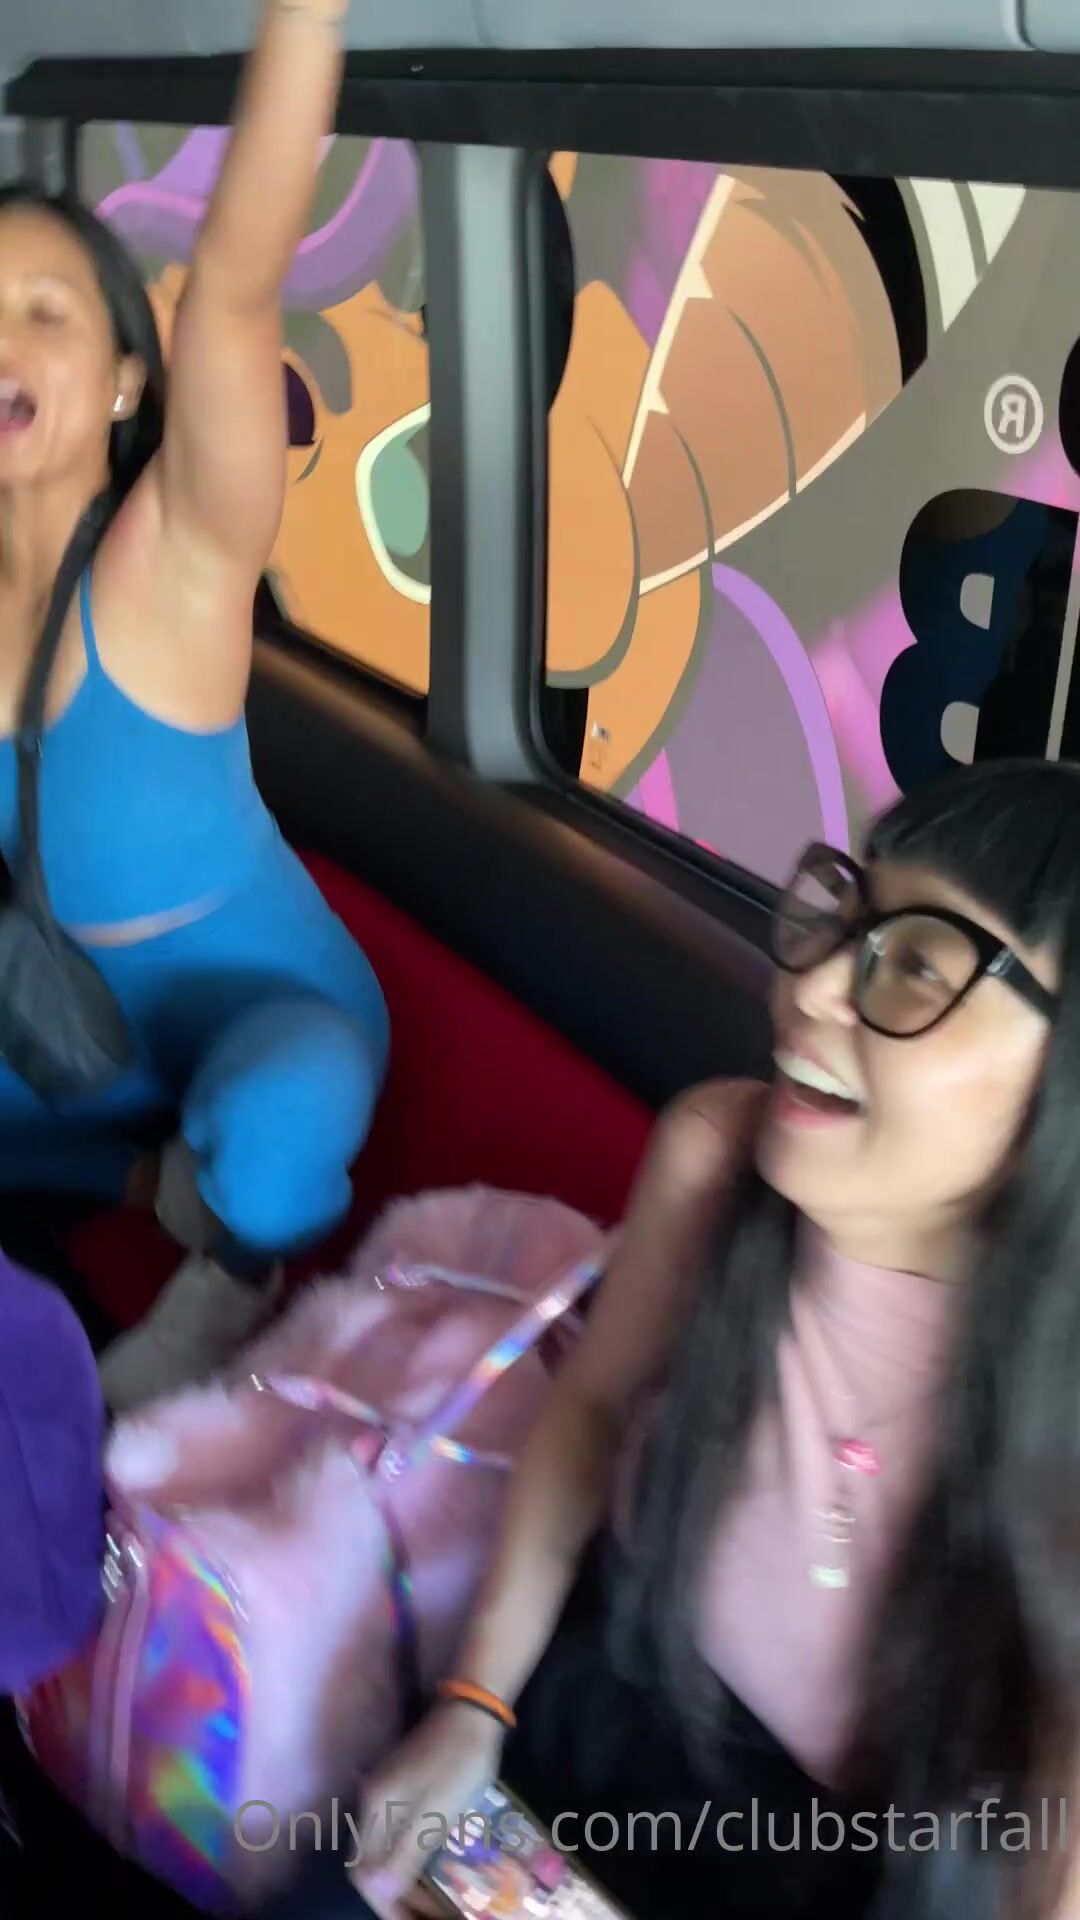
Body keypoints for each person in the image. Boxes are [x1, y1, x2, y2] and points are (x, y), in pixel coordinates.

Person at [268, 756, 1080, 1920]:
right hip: (602, 1716)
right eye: (846, 919)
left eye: (916, 965)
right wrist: (474, 1704)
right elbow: (592, 1413)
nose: (813, 987)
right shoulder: (715, 1159)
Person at [0, 0, 389, 1413]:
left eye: (43, 314)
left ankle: (226, 1286)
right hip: (58, 1030)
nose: (1, 341)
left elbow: (232, 285)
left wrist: (308, 11)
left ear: (122, 382)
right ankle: (133, 1180)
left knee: (284, 1122)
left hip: (255, 1006)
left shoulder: (174, 551)